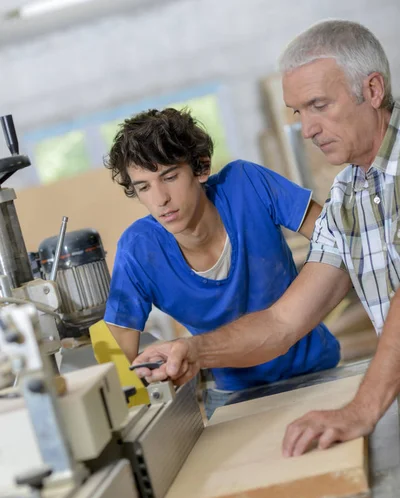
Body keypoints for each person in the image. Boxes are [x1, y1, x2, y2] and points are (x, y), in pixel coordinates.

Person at [133, 19, 400, 454]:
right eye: (298, 112)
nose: (307, 129)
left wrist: (362, 408)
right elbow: (282, 322)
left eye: (318, 105)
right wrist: (193, 350)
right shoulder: (349, 195)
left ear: (372, 90)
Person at [104, 107, 340, 418]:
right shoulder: (138, 250)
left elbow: (338, 240)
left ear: (200, 168)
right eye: (143, 187)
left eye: (170, 176)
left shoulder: (247, 184)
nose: (160, 199)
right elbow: (116, 363)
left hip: (316, 370)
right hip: (234, 396)